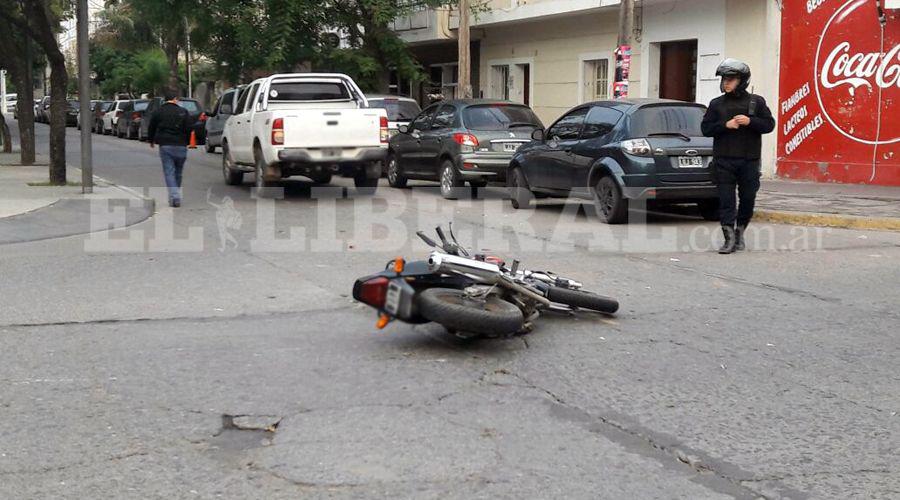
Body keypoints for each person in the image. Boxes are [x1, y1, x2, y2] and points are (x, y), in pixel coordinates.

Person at [701, 59, 775, 254]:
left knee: (748, 199)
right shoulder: (716, 104)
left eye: (731, 79)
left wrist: (751, 121)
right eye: (724, 79)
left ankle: (740, 232)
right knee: (726, 202)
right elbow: (705, 129)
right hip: (724, 161)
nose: (726, 83)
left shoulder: (756, 102)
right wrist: (724, 125)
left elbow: (769, 125)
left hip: (749, 161)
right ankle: (728, 239)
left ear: (741, 81)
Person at [148, 89, 193, 207]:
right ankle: (175, 195)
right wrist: (187, 141)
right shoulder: (183, 111)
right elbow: (189, 128)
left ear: (165, 99)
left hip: (165, 145)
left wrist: (151, 140)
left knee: (169, 172)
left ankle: (175, 196)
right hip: (181, 145)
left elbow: (152, 127)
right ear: (175, 99)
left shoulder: (159, 111)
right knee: (178, 172)